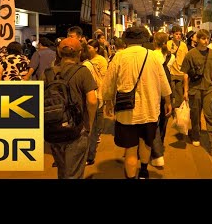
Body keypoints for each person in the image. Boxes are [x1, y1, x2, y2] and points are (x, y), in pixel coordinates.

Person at [104, 26, 172, 179]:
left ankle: (130, 176)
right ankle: (143, 171)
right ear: (144, 39)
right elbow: (164, 82)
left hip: (126, 112)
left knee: (130, 149)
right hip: (149, 110)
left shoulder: (119, 57)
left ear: (126, 40)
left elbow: (109, 83)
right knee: (146, 143)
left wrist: (108, 102)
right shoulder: (153, 56)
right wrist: (168, 101)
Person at [42, 37, 97, 179]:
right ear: (79, 53)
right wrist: (89, 124)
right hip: (76, 130)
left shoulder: (48, 73)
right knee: (74, 174)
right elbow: (92, 101)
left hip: (53, 130)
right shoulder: (83, 72)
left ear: (59, 53)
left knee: (62, 170)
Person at [181, 29, 212, 156]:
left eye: (207, 38)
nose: (206, 41)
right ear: (197, 39)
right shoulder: (190, 54)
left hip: (209, 89)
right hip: (194, 89)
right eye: (203, 38)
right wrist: (185, 91)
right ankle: (195, 135)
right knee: (195, 115)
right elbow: (185, 74)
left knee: (210, 115)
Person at [150, 32, 175, 167]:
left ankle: (155, 149)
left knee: (154, 120)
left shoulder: (151, 56)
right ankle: (160, 143)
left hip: (153, 91)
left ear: (154, 41)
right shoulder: (171, 57)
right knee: (164, 120)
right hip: (167, 92)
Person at [167, 26, 188, 109]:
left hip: (180, 73)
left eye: (180, 34)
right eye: (176, 34)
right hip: (171, 72)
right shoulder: (168, 44)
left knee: (179, 94)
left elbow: (186, 58)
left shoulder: (183, 45)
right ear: (172, 34)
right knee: (171, 93)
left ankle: (178, 111)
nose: (178, 36)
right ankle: (170, 109)